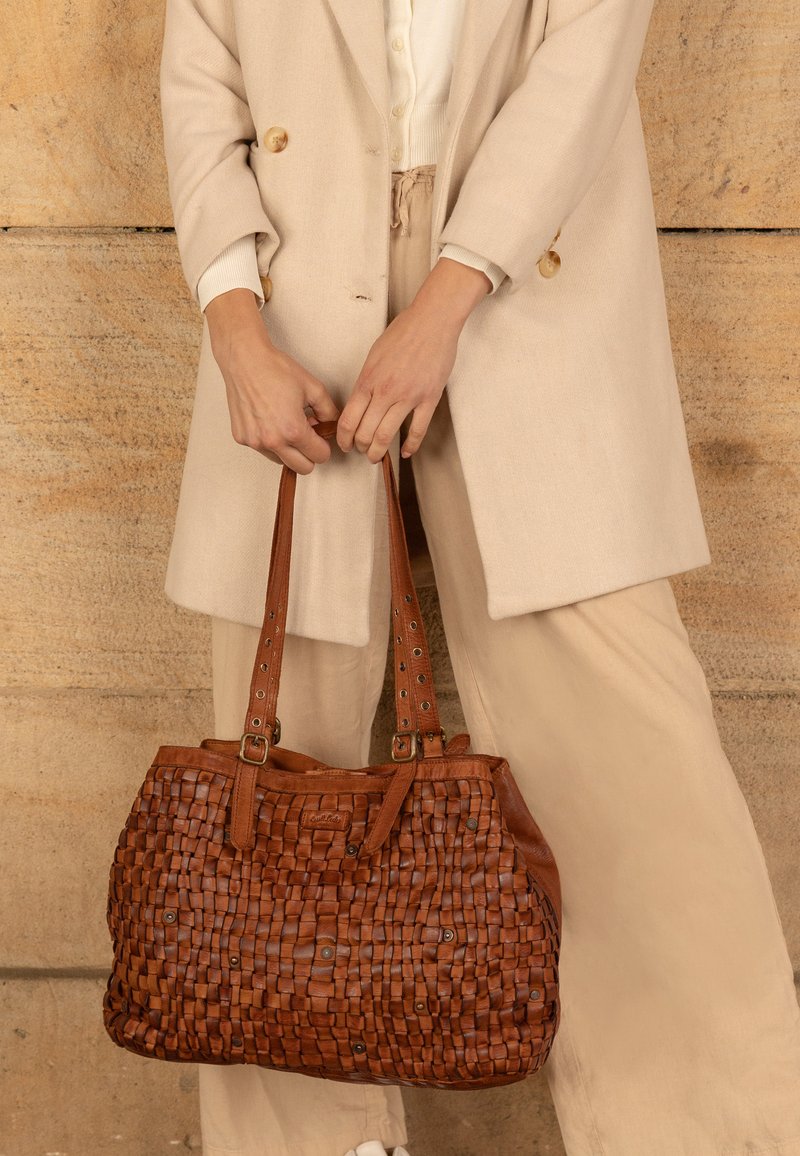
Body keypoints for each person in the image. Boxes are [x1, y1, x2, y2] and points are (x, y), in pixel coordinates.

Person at [157, 1, 800, 1153]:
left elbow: (579, 71)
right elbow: (200, 73)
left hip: (521, 285)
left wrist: (447, 298)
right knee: (276, 799)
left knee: (627, 772)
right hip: (289, 304)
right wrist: (234, 331)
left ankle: (702, 1133)